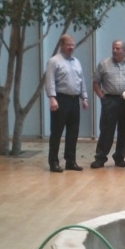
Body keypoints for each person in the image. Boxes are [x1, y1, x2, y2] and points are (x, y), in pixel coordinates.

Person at [90, 40, 125, 168]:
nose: (114, 51)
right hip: (110, 100)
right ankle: (100, 158)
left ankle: (119, 157)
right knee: (106, 130)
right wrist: (102, 97)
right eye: (113, 48)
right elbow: (96, 82)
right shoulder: (104, 64)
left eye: (118, 48)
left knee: (124, 131)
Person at [44, 34, 89, 173]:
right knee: (57, 132)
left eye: (73, 45)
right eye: (68, 45)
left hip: (74, 100)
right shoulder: (54, 61)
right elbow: (49, 80)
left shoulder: (76, 62)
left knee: (73, 132)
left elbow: (81, 80)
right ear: (61, 45)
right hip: (60, 99)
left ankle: (71, 161)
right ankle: (53, 162)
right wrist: (52, 98)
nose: (71, 47)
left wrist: (84, 97)